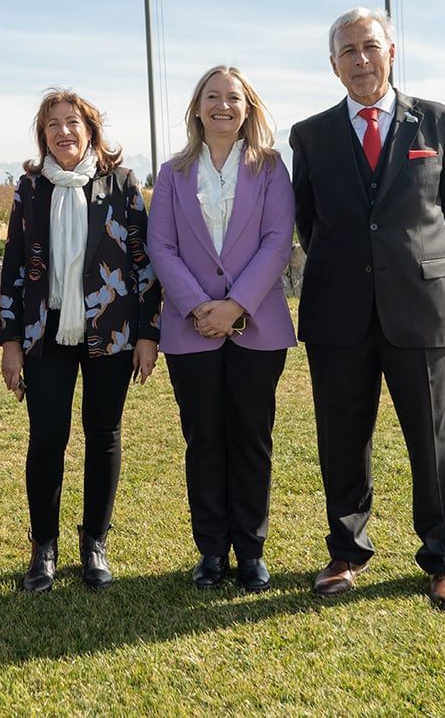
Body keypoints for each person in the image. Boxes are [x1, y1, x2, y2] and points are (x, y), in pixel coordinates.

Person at [291, 7, 445, 610]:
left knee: (433, 438)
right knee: (342, 436)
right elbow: (309, 222)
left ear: (392, 51)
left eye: (371, 46)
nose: (361, 59)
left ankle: (444, 559)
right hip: (337, 310)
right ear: (333, 64)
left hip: (420, 309)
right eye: (348, 51)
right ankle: (346, 551)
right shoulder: (309, 136)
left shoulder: (441, 124)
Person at [0, 88, 161, 593]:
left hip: (111, 332)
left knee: (103, 434)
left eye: (73, 122)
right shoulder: (29, 189)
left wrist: (148, 334)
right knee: (47, 438)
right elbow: (14, 268)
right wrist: (9, 341)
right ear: (42, 134)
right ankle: (43, 548)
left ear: (91, 129)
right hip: (45, 334)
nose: (63, 131)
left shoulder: (122, 185)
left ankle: (94, 544)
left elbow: (143, 264)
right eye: (53, 124)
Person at [147, 66, 296, 592]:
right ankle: (211, 550)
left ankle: (251, 551)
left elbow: (278, 240)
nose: (222, 106)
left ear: (248, 107)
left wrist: (234, 305)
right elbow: (160, 247)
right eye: (212, 97)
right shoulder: (171, 173)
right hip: (192, 331)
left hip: (257, 326)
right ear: (196, 108)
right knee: (204, 440)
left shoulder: (272, 169)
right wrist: (197, 307)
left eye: (233, 98)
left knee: (252, 439)